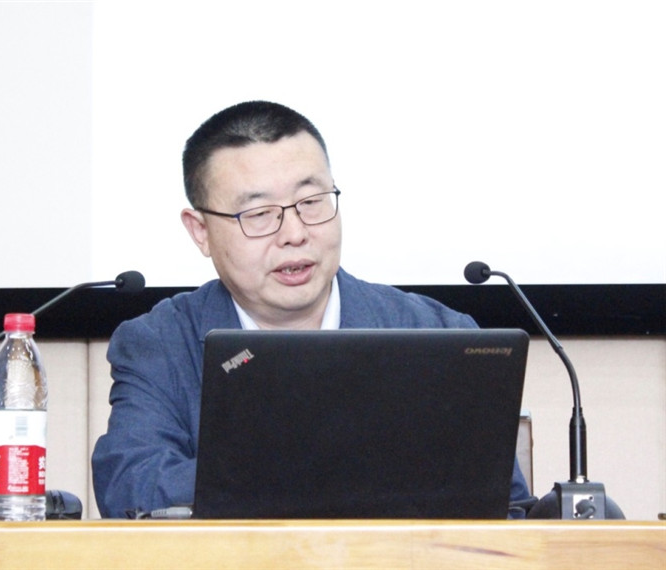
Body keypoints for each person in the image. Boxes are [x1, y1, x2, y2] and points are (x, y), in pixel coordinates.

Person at [91, 100, 531, 518]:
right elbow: (132, 484)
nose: (295, 233)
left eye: (311, 202)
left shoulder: (440, 333)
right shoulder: (160, 345)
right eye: (259, 213)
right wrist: (321, 475)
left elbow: (506, 507)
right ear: (200, 231)